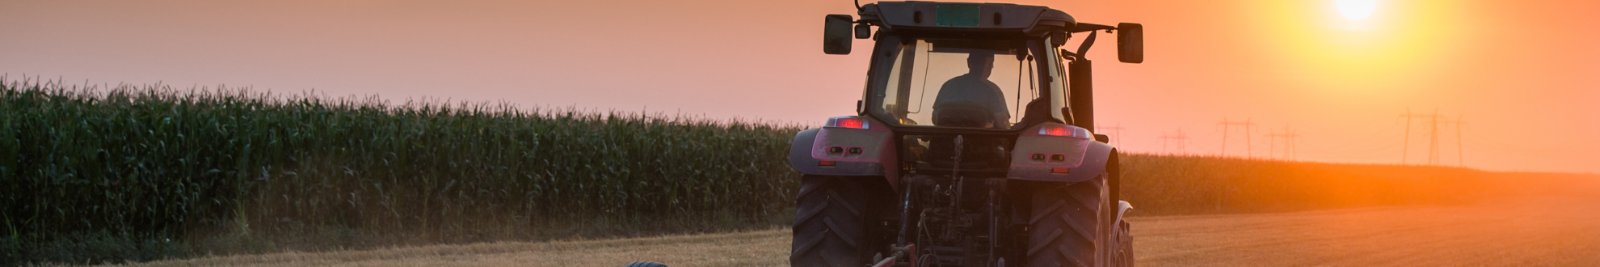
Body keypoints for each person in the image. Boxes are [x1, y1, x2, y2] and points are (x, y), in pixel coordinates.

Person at [932, 52, 1011, 128]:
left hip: (945, 140)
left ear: (968, 62)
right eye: (991, 64)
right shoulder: (992, 90)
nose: (992, 67)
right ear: (989, 65)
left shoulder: (947, 86)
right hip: (979, 141)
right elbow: (1002, 123)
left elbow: (935, 117)